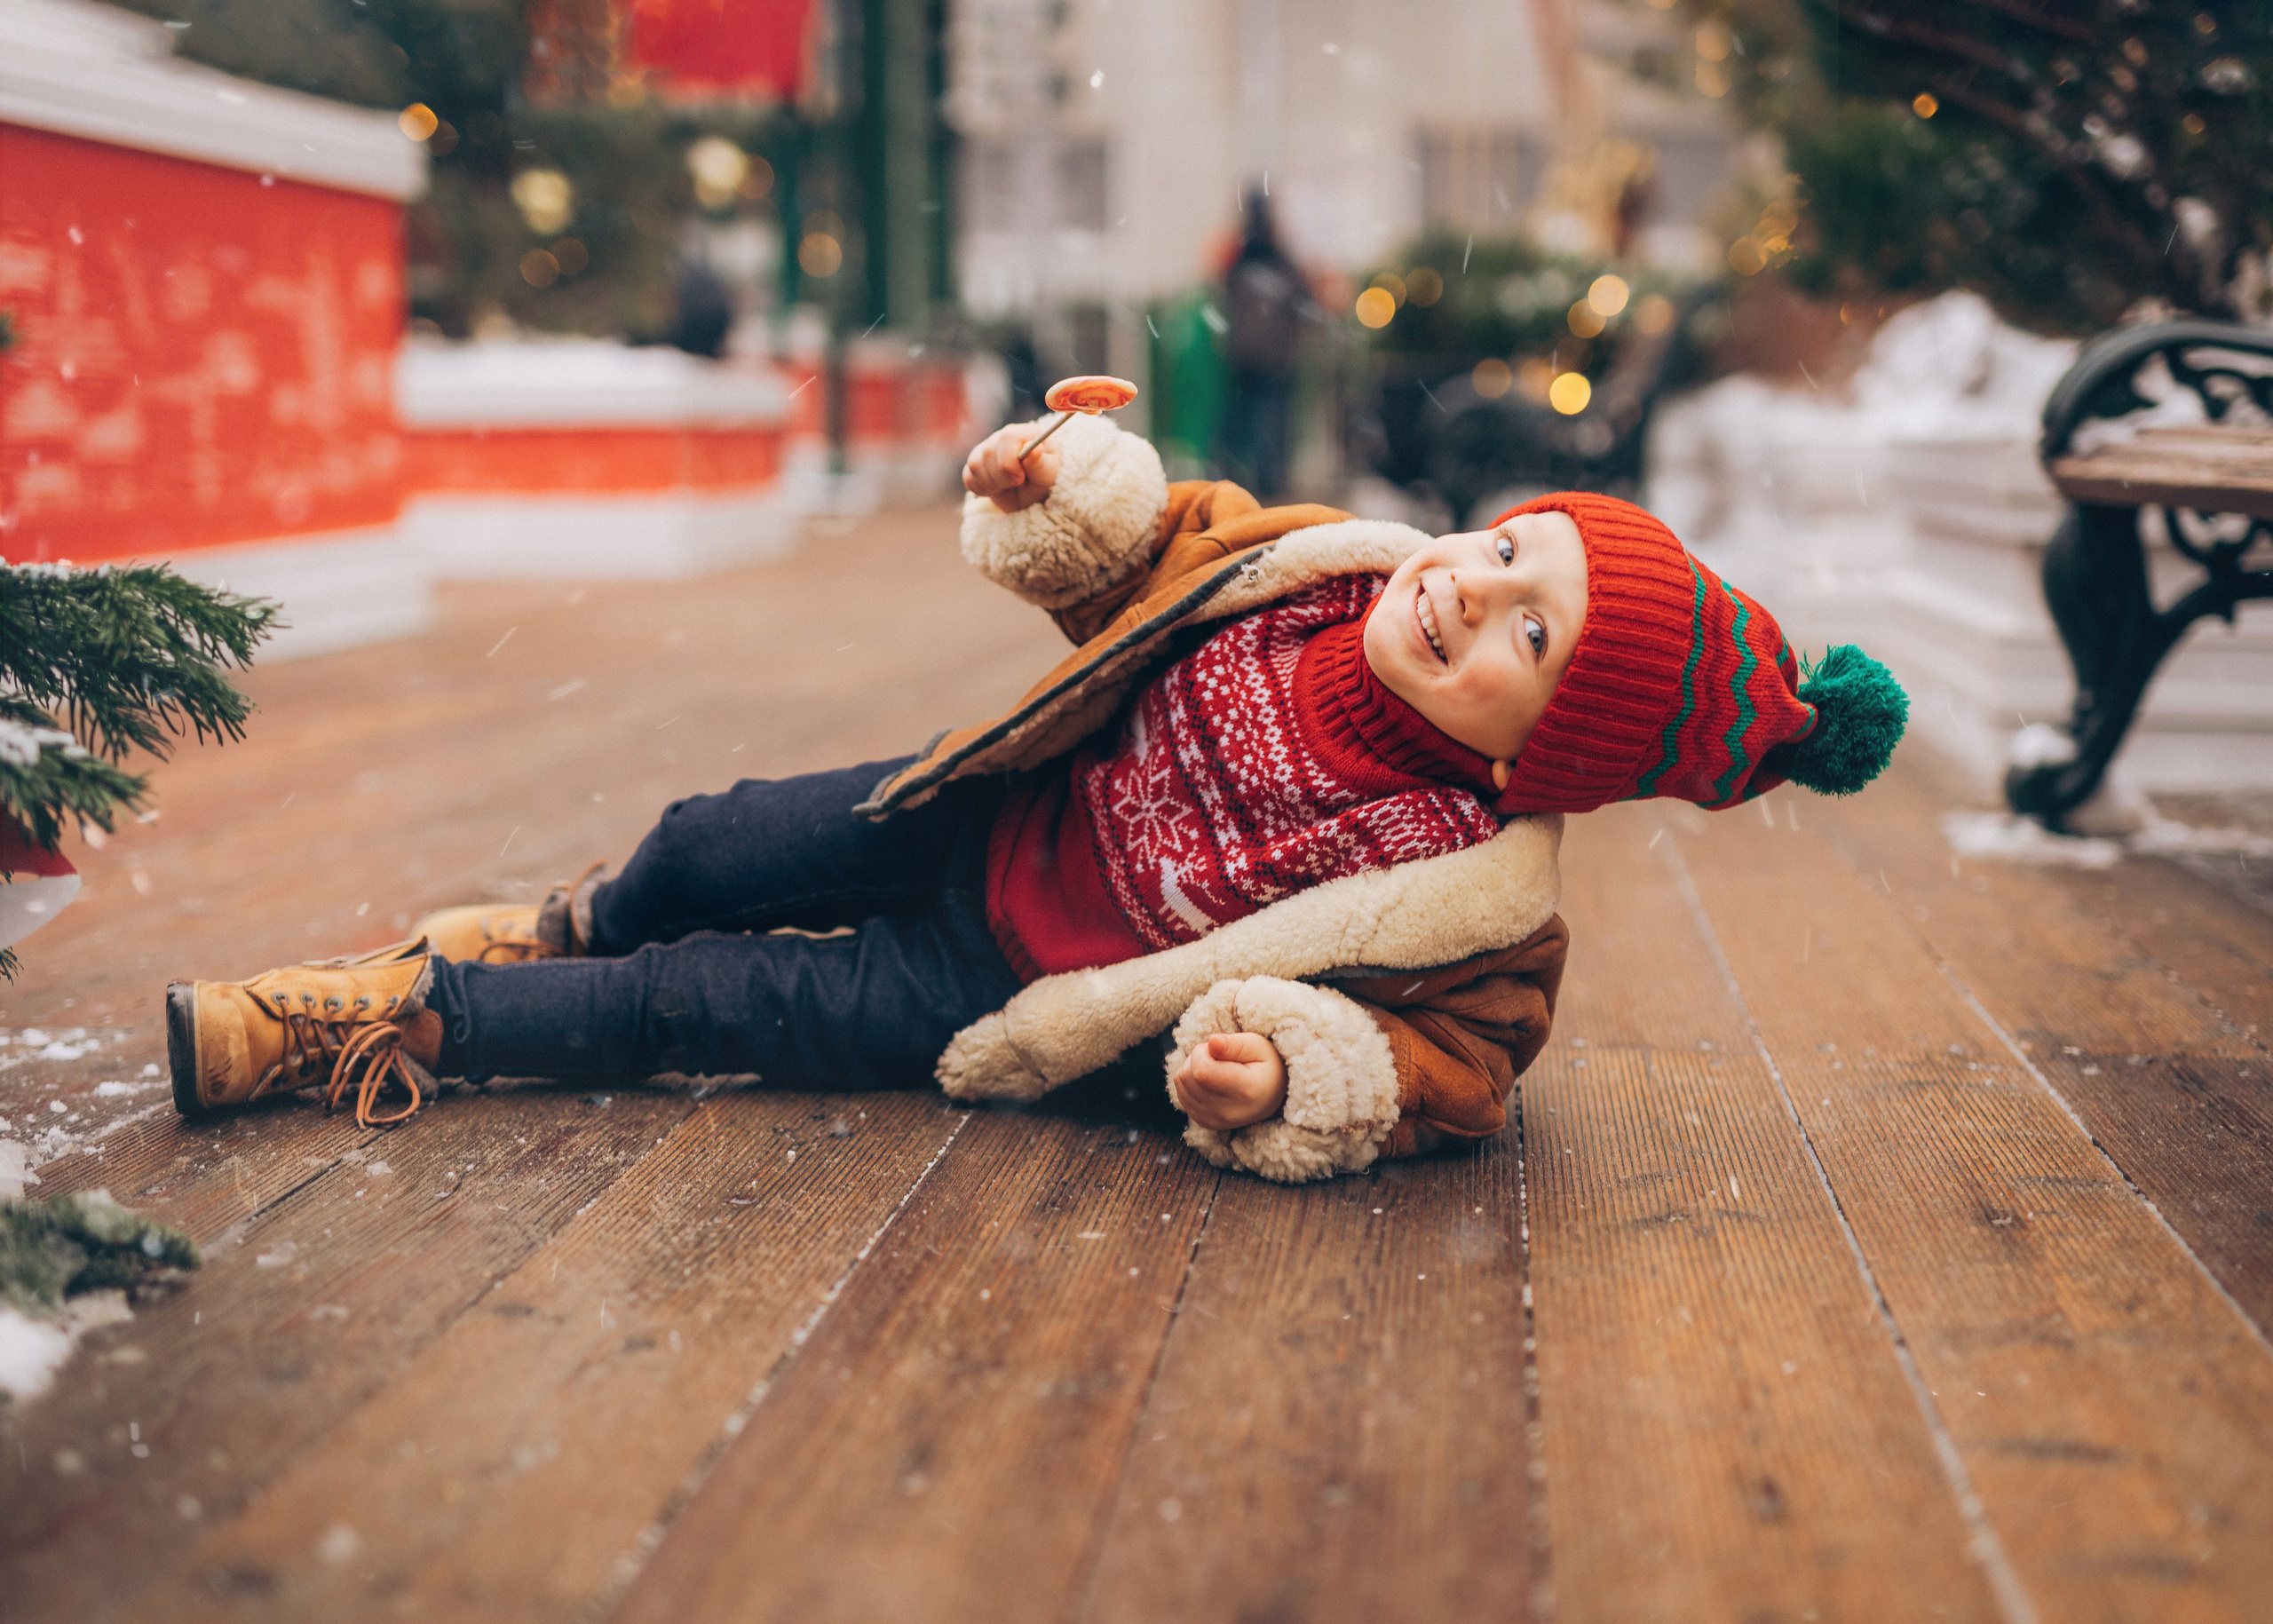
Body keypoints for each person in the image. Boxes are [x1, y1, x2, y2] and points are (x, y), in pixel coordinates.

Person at [163, 414, 1905, 1184]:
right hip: (977, 820)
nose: (1475, 587)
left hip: (1002, 985)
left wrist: (1289, 1066)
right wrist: (1049, 478)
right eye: (1510, 546)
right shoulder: (1302, 570)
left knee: (708, 1007)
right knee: (711, 842)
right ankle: (568, 917)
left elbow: (1467, 1065)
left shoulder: (1466, 875)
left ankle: (396, 1019)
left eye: (1530, 633)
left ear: (1541, 759)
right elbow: (1124, 542)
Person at [1217, 194, 1311, 499]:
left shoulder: (1240, 259)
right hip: (1275, 360)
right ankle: (1268, 487)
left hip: (1244, 357)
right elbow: (1303, 303)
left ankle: (1227, 480)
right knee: (1271, 425)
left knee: (1238, 420)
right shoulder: (1282, 262)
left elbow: (1222, 288)